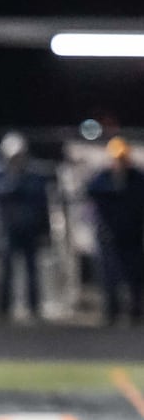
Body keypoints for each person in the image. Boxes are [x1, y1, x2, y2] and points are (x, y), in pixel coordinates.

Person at [0, 131, 50, 321]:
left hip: (29, 227)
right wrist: (8, 188)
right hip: (6, 226)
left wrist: (19, 188)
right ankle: (3, 309)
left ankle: (34, 308)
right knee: (6, 269)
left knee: (32, 269)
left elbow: (40, 195)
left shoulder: (32, 172)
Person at [84, 135, 144, 325]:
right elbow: (91, 190)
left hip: (132, 234)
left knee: (135, 275)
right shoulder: (103, 178)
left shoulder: (136, 179)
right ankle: (111, 313)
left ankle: (135, 312)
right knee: (109, 276)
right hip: (109, 235)